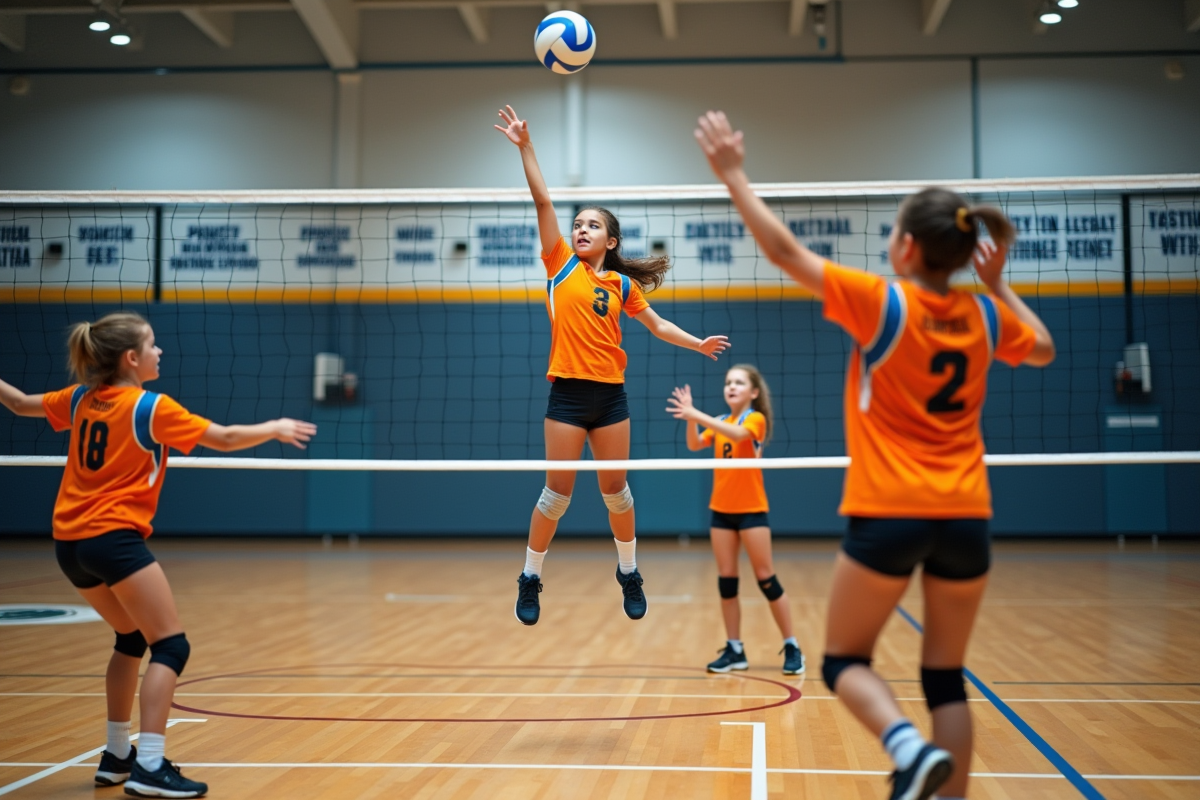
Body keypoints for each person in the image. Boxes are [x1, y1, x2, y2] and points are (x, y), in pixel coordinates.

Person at [694, 111, 1055, 800]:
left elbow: (784, 254)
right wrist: (1000, 285)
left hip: (890, 508)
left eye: (892, 230)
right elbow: (1042, 348)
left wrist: (733, 174)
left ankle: (905, 747)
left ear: (910, 248)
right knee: (945, 678)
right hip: (967, 515)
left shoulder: (883, 305)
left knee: (845, 663)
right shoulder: (984, 317)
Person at [0, 311, 316, 798]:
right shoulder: (150, 408)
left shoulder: (82, 398)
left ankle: (116, 754)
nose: (160, 352)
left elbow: (20, 403)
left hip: (68, 544)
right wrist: (274, 426)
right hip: (113, 541)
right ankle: (149, 764)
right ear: (131, 358)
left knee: (130, 638)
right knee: (171, 646)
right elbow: (226, 438)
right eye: (152, 345)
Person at [494, 105, 731, 626]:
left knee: (616, 493)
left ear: (611, 241)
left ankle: (629, 573)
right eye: (578, 224)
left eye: (592, 225)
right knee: (556, 496)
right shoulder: (558, 264)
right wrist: (525, 147)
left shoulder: (621, 285)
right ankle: (531, 577)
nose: (580, 229)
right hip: (568, 397)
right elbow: (541, 199)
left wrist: (697, 345)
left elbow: (659, 326)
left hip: (611, 398)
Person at [667, 365, 804, 675]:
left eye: (739, 382)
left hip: (752, 511)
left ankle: (792, 645)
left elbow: (739, 435)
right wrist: (690, 419)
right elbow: (694, 444)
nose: (731, 386)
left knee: (766, 579)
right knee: (727, 581)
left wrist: (696, 414)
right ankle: (735, 649)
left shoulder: (754, 419)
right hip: (722, 511)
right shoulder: (718, 421)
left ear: (753, 392)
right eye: (728, 382)